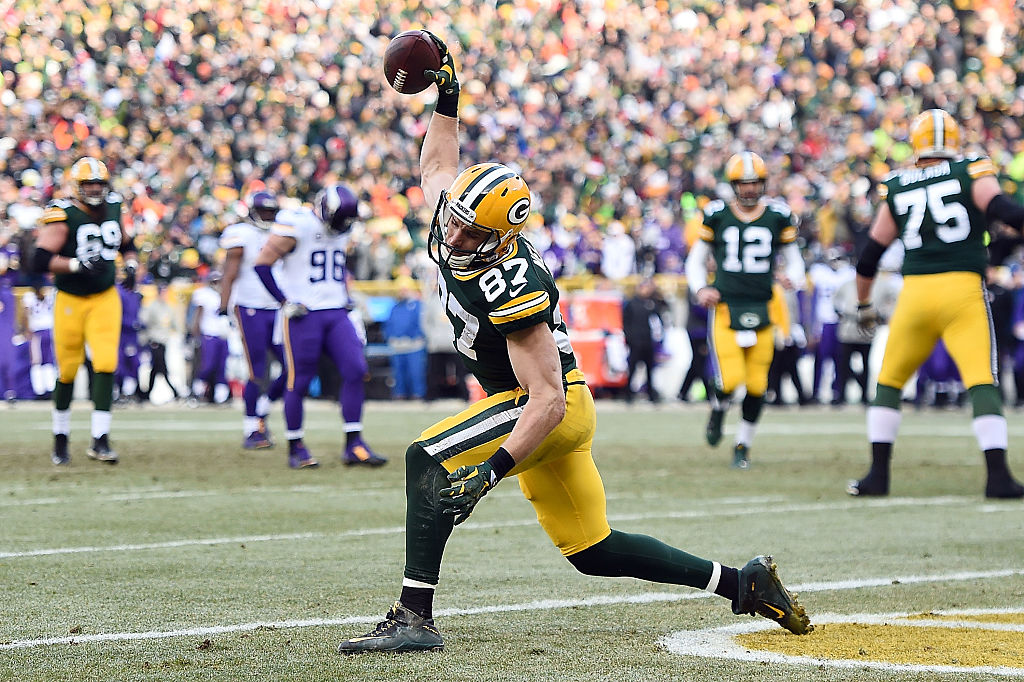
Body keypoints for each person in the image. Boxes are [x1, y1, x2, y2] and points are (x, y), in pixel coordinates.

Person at [337, 33, 810, 655]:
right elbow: (435, 167)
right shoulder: (460, 213)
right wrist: (447, 96)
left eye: (467, 228)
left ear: (502, 237)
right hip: (538, 405)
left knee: (426, 460)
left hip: (544, 407)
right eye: (452, 218)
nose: (450, 232)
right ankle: (741, 583)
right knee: (593, 551)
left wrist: (490, 472)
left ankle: (413, 615)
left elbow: (547, 399)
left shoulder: (511, 277)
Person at [849, 109, 1024, 499]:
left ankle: (878, 475)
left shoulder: (897, 184)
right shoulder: (970, 169)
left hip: (915, 294)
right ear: (955, 141)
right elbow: (1000, 209)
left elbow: (869, 256)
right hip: (961, 291)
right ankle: (997, 476)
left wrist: (863, 305)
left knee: (890, 381)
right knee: (981, 379)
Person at [684, 151, 806, 469]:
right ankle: (718, 409)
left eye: (755, 183)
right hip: (726, 308)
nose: (750, 189)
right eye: (744, 183)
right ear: (734, 185)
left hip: (763, 308)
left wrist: (791, 277)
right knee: (730, 379)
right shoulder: (717, 215)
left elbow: (794, 260)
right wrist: (700, 288)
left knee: (757, 386)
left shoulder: (778, 215)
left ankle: (743, 444)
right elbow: (696, 260)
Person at [253, 185, 386, 469]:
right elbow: (262, 263)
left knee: (356, 370)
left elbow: (335, 266)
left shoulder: (345, 227)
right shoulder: (297, 224)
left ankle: (354, 443)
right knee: (298, 380)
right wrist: (283, 301)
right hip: (304, 313)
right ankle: (295, 445)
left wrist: (346, 295)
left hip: (336, 311)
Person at [32, 156, 137, 464]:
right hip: (71, 299)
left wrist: (130, 265)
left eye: (98, 184)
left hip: (104, 296)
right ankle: (60, 437)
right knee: (67, 370)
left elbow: (127, 244)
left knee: (106, 363)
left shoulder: (115, 206)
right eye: (88, 184)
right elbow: (39, 260)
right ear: (76, 186)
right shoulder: (62, 213)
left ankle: (100, 438)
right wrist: (76, 264)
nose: (94, 189)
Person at [219, 190, 286, 449]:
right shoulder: (241, 234)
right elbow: (229, 272)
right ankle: (252, 429)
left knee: (292, 367)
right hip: (250, 308)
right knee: (257, 370)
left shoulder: (282, 232)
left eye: (271, 212)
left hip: (279, 308)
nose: (268, 217)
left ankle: (262, 409)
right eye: (264, 212)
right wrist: (224, 304)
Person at [808, 249, 854, 405]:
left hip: (842, 322)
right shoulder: (819, 272)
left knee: (840, 360)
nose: (835, 262)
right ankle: (816, 392)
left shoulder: (849, 274)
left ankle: (839, 392)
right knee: (820, 359)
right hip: (824, 322)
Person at [189, 272, 231, 405]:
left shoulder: (228, 293)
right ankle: (197, 393)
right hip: (209, 334)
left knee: (222, 368)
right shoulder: (204, 294)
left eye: (218, 281)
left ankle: (220, 397)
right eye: (214, 281)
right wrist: (194, 333)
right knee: (207, 366)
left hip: (223, 335)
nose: (216, 284)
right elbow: (198, 314)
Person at [621, 278, 665, 403]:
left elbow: (659, 318)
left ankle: (651, 394)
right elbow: (626, 323)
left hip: (648, 341)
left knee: (650, 369)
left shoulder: (652, 302)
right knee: (632, 368)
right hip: (636, 342)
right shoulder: (631, 303)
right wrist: (629, 339)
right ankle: (628, 395)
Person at [384, 276, 427, 401]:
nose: (402, 292)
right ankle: (400, 394)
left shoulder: (417, 305)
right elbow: (389, 324)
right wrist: (390, 336)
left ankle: (418, 394)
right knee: (398, 373)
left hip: (413, 345)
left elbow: (421, 323)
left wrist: (414, 335)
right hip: (398, 345)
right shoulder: (395, 307)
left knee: (415, 372)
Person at [139, 282, 183, 402]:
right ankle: (175, 392)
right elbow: (144, 323)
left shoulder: (169, 307)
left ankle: (144, 393)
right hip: (155, 341)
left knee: (156, 368)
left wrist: (182, 335)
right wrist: (145, 339)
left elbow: (174, 324)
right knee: (162, 367)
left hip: (164, 341)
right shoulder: (152, 306)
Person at [22, 284, 56, 400]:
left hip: (44, 330)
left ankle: (46, 389)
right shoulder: (47, 293)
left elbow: (26, 315)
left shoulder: (50, 293)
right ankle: (42, 390)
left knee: (45, 361)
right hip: (40, 331)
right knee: (40, 361)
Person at [115, 275, 144, 404]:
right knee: (118, 365)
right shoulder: (119, 293)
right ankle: (117, 392)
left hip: (131, 337)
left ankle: (128, 392)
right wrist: (132, 324)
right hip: (120, 335)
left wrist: (138, 324)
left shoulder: (134, 296)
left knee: (133, 364)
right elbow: (116, 317)